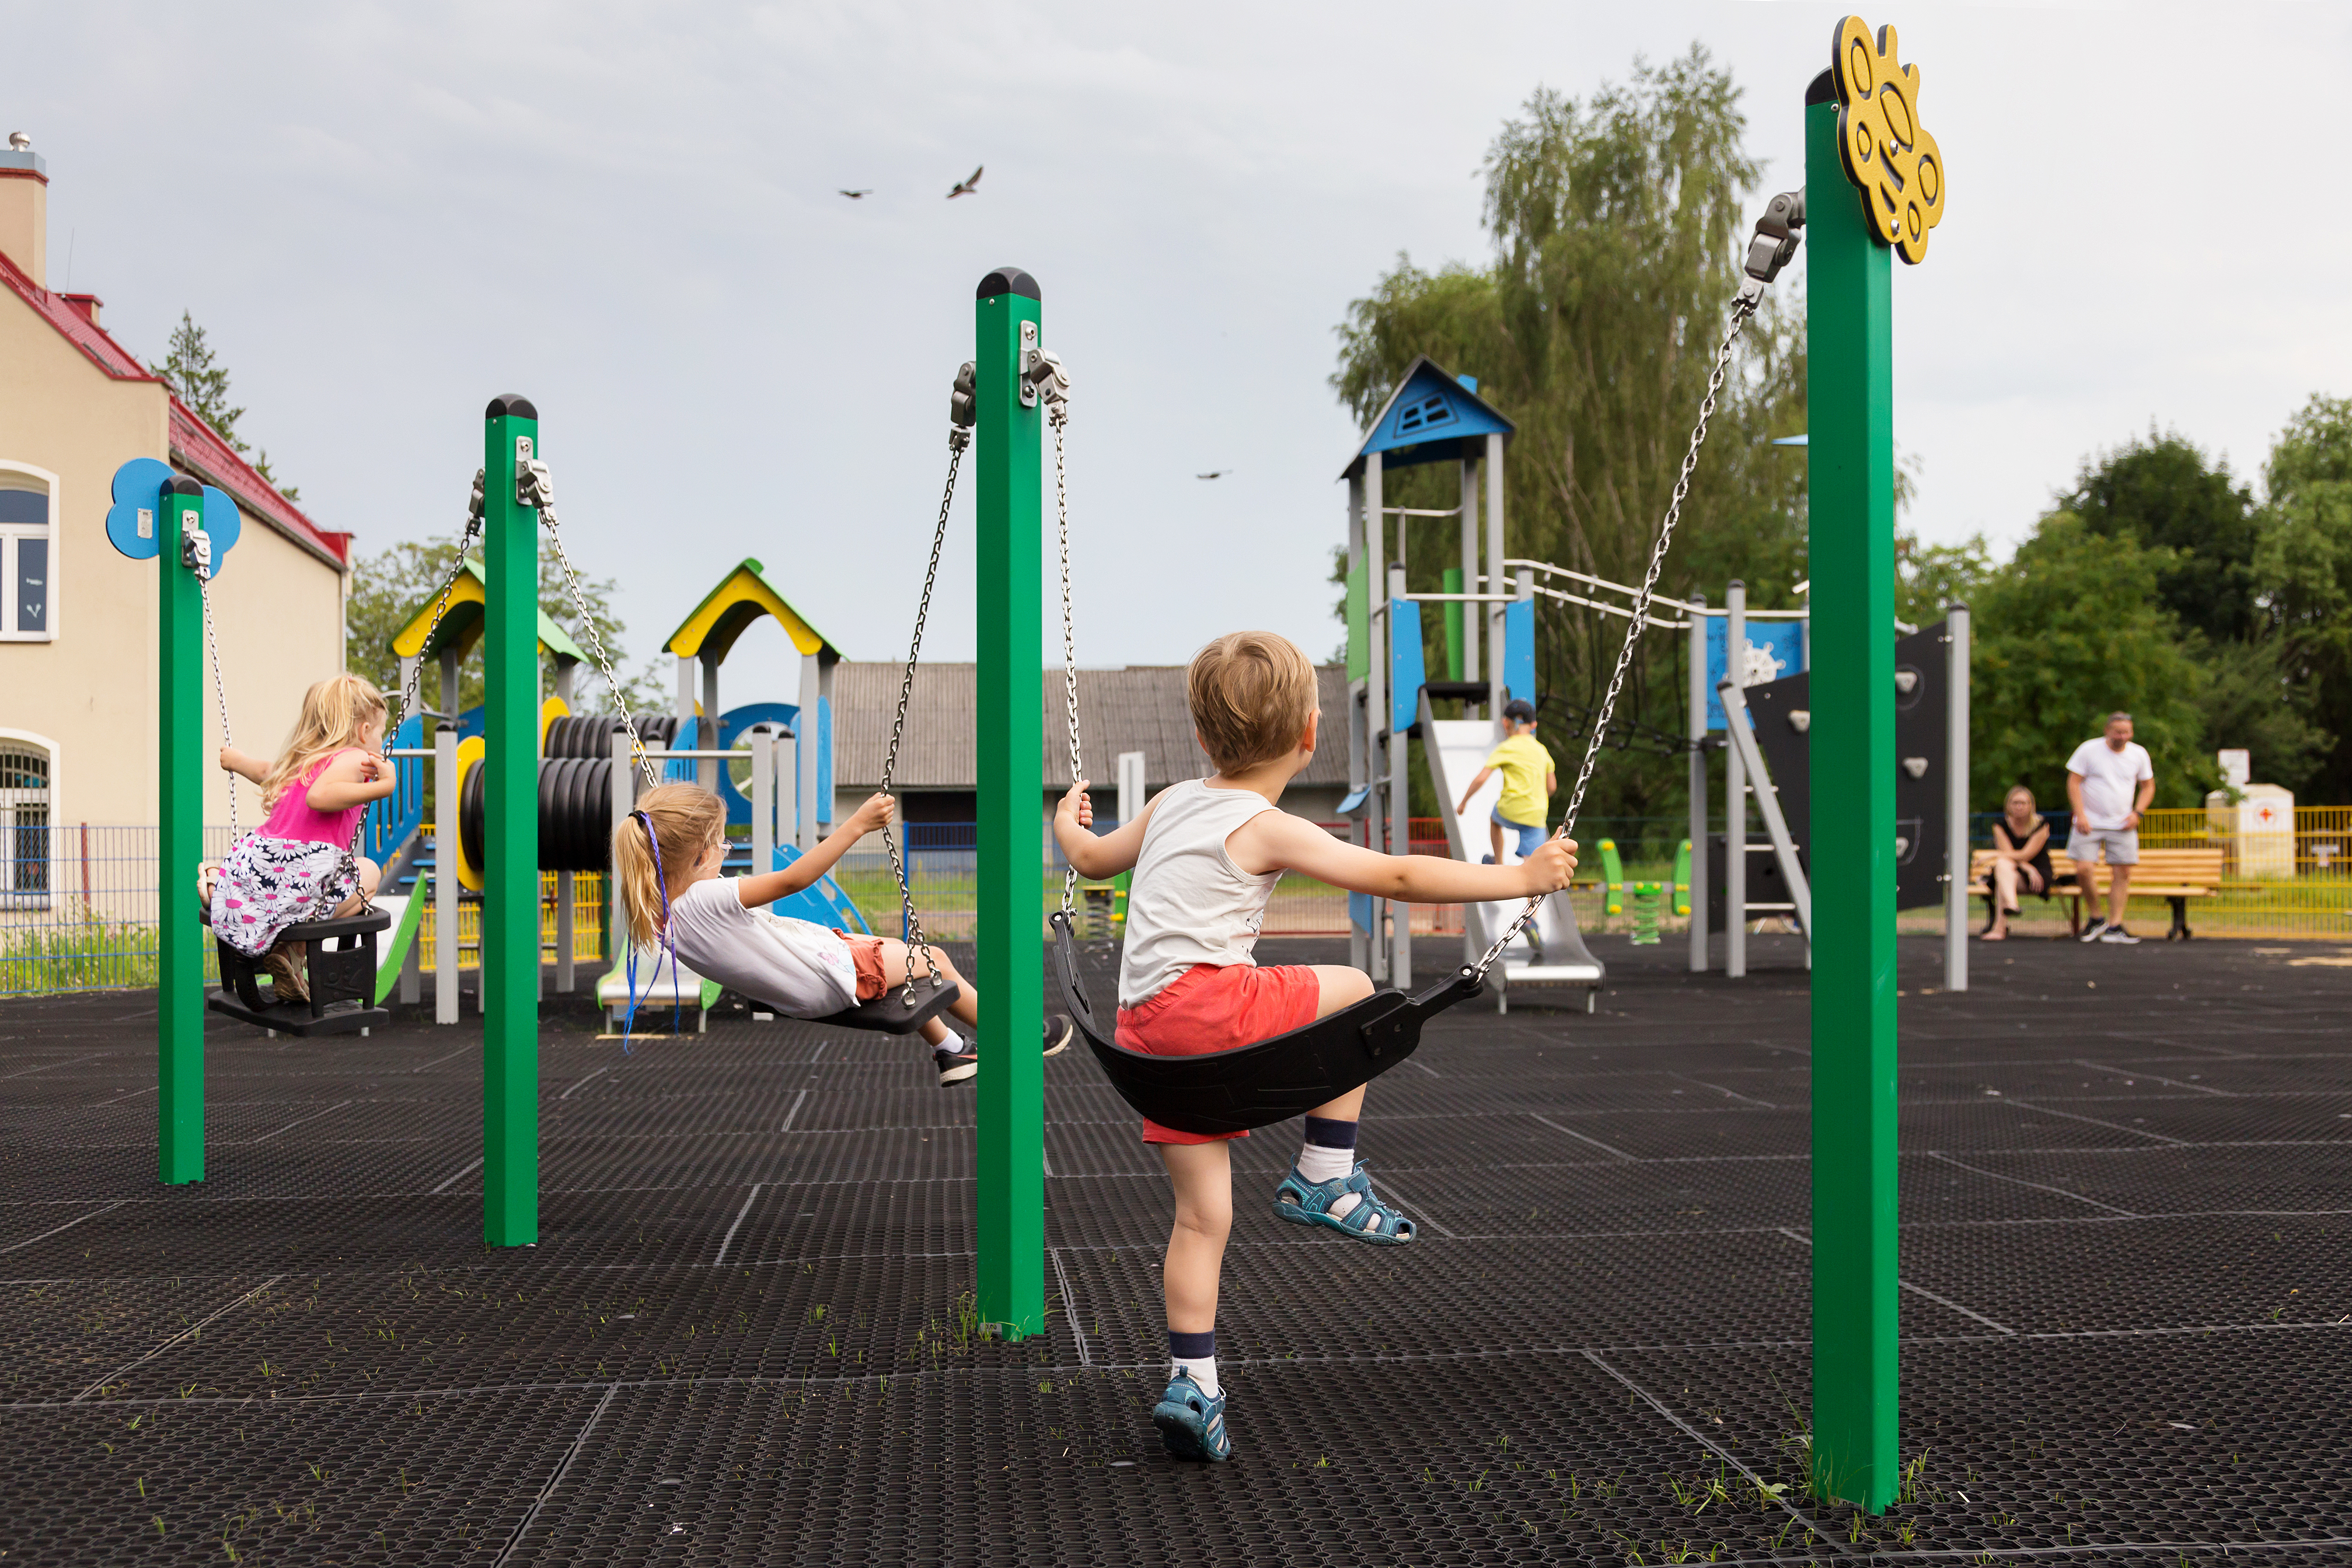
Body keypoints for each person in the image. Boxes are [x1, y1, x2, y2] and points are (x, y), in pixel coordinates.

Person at [1053, 631, 1575, 1463]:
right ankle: (1325, 1173)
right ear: (1306, 735)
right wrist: (1522, 879)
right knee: (1361, 993)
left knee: (1200, 1219)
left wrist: (1065, 822)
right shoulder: (1265, 824)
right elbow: (1396, 876)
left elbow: (1090, 859)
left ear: (1200, 736)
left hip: (1145, 1045)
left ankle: (1195, 1385)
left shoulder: (1169, 803)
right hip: (1208, 1014)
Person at [612, 781, 1072, 1085]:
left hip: (801, 984)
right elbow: (792, 880)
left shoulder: (659, 913)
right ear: (695, 856)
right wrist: (857, 824)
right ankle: (1021, 1036)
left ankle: (952, 1049)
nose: (725, 852)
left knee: (896, 954)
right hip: (828, 977)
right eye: (721, 845)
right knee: (935, 962)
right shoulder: (705, 899)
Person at [207, 673, 399, 1001]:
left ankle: (219, 887)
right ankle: (295, 947)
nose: (380, 743)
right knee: (369, 872)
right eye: (381, 733)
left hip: (260, 869)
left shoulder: (302, 762)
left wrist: (236, 761)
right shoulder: (355, 758)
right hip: (300, 872)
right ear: (365, 732)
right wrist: (386, 785)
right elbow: (319, 797)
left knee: (328, 879)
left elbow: (267, 772)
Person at [2065, 711, 2156, 945]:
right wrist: (2081, 814)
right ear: (2107, 731)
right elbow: (2074, 782)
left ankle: (2115, 926)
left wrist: (2138, 812)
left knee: (2123, 873)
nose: (2122, 736)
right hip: (2089, 822)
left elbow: (2148, 786)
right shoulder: (2089, 750)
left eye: (2126, 732)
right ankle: (2096, 917)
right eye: (2118, 732)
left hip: (2123, 823)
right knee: (2084, 869)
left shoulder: (2139, 754)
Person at [1456, 699, 1556, 866]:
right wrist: (1538, 800)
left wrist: (1463, 803)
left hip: (1511, 809)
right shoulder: (1542, 750)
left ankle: (1499, 864)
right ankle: (1531, 887)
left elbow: (1481, 779)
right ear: (1534, 725)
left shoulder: (1506, 747)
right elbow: (1552, 786)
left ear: (1505, 724)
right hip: (1536, 813)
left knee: (1495, 821)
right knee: (1532, 862)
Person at [1979, 784, 2055, 941]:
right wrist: (2027, 868)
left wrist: (1996, 854)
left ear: (2031, 806)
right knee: (2003, 868)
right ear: (2009, 805)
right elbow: (2009, 855)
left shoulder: (2041, 825)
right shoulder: (2000, 825)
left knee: (2002, 867)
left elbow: (2025, 854)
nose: (2019, 807)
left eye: (2023, 803)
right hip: (2015, 872)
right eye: (2015, 803)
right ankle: (2012, 906)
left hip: (2038, 874)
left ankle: (2000, 928)